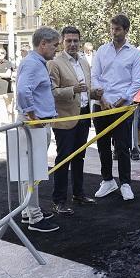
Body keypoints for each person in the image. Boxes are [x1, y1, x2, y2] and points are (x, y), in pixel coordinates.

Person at [90, 14, 140, 201]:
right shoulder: (102, 50)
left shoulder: (134, 53)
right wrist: (102, 99)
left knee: (122, 147)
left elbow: (136, 82)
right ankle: (107, 180)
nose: (114, 32)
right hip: (101, 105)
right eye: (112, 29)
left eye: (118, 29)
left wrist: (122, 100)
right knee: (102, 145)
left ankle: (125, 183)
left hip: (122, 108)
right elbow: (94, 76)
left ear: (126, 30)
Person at [16, 26, 60, 233]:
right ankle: (34, 217)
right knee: (33, 171)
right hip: (34, 126)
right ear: (43, 44)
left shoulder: (35, 63)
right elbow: (23, 91)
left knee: (32, 170)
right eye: (54, 45)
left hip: (37, 124)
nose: (56, 49)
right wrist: (33, 117)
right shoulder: (33, 64)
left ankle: (28, 211)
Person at [48, 26, 95, 215]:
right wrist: (72, 90)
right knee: (63, 159)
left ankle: (78, 194)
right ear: (62, 42)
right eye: (69, 41)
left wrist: (94, 93)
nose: (73, 44)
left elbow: (84, 89)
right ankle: (58, 200)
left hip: (83, 115)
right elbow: (51, 92)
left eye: (76, 40)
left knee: (79, 158)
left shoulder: (84, 62)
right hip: (65, 119)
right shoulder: (55, 63)